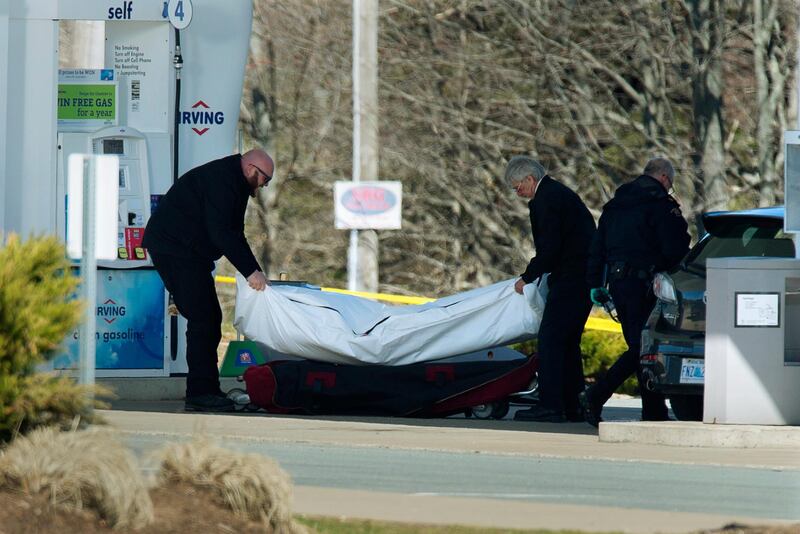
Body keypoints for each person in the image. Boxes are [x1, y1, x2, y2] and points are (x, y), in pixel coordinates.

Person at [143, 149, 273, 412]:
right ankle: (201, 392)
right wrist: (251, 272)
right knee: (205, 318)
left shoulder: (233, 181)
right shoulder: (223, 181)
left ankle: (206, 388)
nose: (263, 186)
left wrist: (253, 269)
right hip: (175, 249)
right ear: (252, 169)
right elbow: (221, 232)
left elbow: (234, 233)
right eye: (264, 180)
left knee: (209, 317)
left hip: (188, 252)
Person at [581, 157, 690, 427]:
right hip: (646, 285)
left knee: (640, 347)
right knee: (644, 347)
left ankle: (653, 410)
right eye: (671, 183)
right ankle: (596, 395)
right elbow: (675, 247)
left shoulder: (615, 205)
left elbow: (597, 247)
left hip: (618, 285)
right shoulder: (661, 205)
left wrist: (595, 283)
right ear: (664, 177)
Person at [505, 156, 596, 423]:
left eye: (517, 186)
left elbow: (550, 247)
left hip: (570, 277)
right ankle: (574, 404)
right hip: (584, 276)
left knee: (551, 341)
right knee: (568, 343)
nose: (517, 192)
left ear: (530, 180)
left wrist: (528, 277)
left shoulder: (545, 200)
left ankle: (551, 405)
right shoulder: (561, 194)